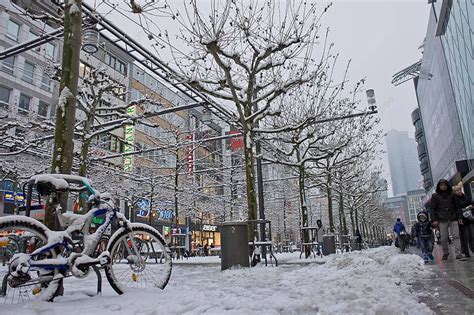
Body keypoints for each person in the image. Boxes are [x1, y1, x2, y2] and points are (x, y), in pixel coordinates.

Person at [428, 179, 464, 260]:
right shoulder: (435, 196)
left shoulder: (452, 195)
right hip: (442, 219)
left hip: (453, 218)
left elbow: (457, 207)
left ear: (447, 186)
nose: (443, 186)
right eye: (441, 185)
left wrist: (460, 218)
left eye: (445, 185)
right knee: (444, 238)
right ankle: (445, 253)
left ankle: (459, 253)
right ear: (439, 186)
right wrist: (434, 220)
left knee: (456, 236)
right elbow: (432, 209)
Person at [453, 185, 474, 258]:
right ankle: (465, 252)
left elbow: (471, 203)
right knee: (463, 236)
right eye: (457, 190)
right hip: (461, 219)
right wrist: (459, 218)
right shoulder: (454, 199)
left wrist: (471, 206)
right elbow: (457, 208)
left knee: (471, 235)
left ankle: (472, 249)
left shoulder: (466, 196)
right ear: (454, 192)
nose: (459, 191)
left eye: (459, 189)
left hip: (469, 218)